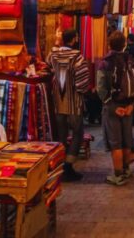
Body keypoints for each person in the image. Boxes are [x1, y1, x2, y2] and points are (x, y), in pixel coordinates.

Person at [97, 30, 134, 186]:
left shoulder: (105, 63)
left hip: (113, 107)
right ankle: (125, 169)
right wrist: (132, 104)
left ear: (109, 44)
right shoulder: (132, 61)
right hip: (129, 106)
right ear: (125, 44)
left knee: (115, 142)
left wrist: (111, 105)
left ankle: (118, 175)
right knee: (126, 139)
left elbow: (101, 88)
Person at [47, 29, 90, 182]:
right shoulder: (77, 57)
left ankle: (60, 164)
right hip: (74, 102)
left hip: (58, 101)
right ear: (73, 40)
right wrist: (82, 91)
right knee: (77, 133)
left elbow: (48, 67)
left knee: (61, 135)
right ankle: (68, 166)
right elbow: (83, 80)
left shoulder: (53, 55)